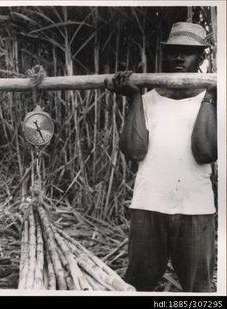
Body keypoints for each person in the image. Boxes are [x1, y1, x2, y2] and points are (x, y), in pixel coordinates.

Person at [104, 22, 217, 292]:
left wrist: (210, 96)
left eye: (187, 52)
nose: (178, 57)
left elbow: (204, 152)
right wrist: (133, 99)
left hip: (195, 210)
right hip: (148, 207)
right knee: (139, 285)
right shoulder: (148, 100)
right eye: (174, 51)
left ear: (201, 58)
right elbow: (134, 151)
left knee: (197, 289)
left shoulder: (212, 100)